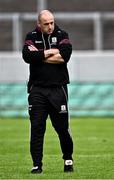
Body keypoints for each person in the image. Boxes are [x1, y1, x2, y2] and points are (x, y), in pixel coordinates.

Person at [22, 10, 73, 174]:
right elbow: (27, 56)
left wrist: (39, 56)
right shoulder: (31, 36)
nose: (50, 26)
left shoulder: (62, 34)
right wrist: (50, 51)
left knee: (62, 128)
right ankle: (37, 164)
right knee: (37, 127)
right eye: (46, 23)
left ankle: (68, 159)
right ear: (39, 24)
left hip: (58, 89)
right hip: (37, 89)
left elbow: (64, 56)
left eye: (52, 22)